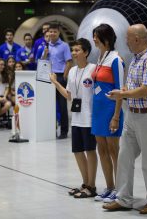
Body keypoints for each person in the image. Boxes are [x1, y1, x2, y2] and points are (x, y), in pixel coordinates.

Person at [103, 24, 147, 214]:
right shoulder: (136, 59)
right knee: (124, 158)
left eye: (128, 39)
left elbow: (146, 90)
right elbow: (131, 88)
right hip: (132, 115)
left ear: (137, 40)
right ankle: (124, 199)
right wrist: (122, 94)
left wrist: (123, 94)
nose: (126, 42)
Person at [50, 38, 98, 198]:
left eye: (77, 50)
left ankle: (92, 186)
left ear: (86, 52)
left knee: (90, 151)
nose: (74, 53)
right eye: (73, 50)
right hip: (76, 118)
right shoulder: (71, 71)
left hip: (89, 118)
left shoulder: (94, 69)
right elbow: (69, 96)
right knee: (78, 151)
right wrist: (56, 83)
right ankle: (85, 184)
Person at [91, 24, 125, 203]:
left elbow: (120, 90)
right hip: (98, 110)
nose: (94, 39)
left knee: (114, 150)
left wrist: (116, 116)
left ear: (106, 38)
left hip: (111, 110)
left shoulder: (115, 60)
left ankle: (120, 189)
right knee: (101, 149)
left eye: (96, 36)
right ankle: (110, 187)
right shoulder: (100, 57)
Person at [41, 23, 73, 139]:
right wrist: (45, 54)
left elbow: (69, 62)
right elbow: (42, 62)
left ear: (59, 33)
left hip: (60, 77)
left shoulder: (64, 46)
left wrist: (64, 76)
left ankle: (64, 131)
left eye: (55, 31)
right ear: (47, 33)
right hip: (49, 77)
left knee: (62, 105)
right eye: (51, 32)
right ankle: (51, 130)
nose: (52, 34)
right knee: (49, 105)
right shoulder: (46, 46)